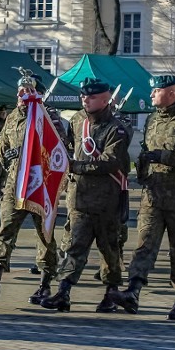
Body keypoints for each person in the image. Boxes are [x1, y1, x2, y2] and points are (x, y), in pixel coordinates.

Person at [110, 75, 175, 320]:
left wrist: (167, 157)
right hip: (153, 196)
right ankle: (133, 291)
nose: (152, 94)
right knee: (144, 245)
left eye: (157, 91)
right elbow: (146, 151)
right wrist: (142, 168)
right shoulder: (153, 120)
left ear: (173, 93)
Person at [40, 77, 130, 313]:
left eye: (90, 97)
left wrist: (77, 166)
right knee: (74, 246)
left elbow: (110, 162)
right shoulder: (78, 121)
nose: (85, 100)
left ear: (105, 98)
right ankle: (64, 292)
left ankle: (111, 294)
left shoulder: (117, 129)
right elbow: (67, 147)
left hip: (107, 201)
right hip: (80, 198)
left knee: (109, 250)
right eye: (83, 96)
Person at [0, 77, 59, 305]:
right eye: (20, 91)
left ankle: (45, 284)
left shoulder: (49, 117)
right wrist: (9, 156)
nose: (22, 95)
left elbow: (59, 148)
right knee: (5, 230)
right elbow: (2, 148)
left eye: (27, 91)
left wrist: (31, 153)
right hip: (15, 184)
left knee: (45, 235)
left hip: (41, 185)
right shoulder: (12, 117)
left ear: (37, 94)